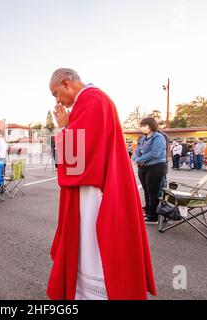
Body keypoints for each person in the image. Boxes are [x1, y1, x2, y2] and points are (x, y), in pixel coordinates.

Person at [47, 68, 156, 300]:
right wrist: (67, 126)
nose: (57, 101)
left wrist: (64, 129)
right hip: (95, 181)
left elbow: (79, 156)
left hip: (93, 186)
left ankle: (95, 294)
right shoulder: (91, 101)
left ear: (66, 83)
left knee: (93, 245)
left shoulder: (91, 100)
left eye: (56, 93)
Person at [133, 118, 168, 224]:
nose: (142, 127)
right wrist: (135, 158)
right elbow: (138, 150)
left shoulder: (159, 137)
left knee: (154, 192)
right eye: (141, 125)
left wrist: (139, 159)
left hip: (156, 167)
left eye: (144, 125)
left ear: (151, 125)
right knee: (147, 191)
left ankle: (153, 216)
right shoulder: (144, 138)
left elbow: (155, 153)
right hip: (143, 168)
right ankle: (148, 212)